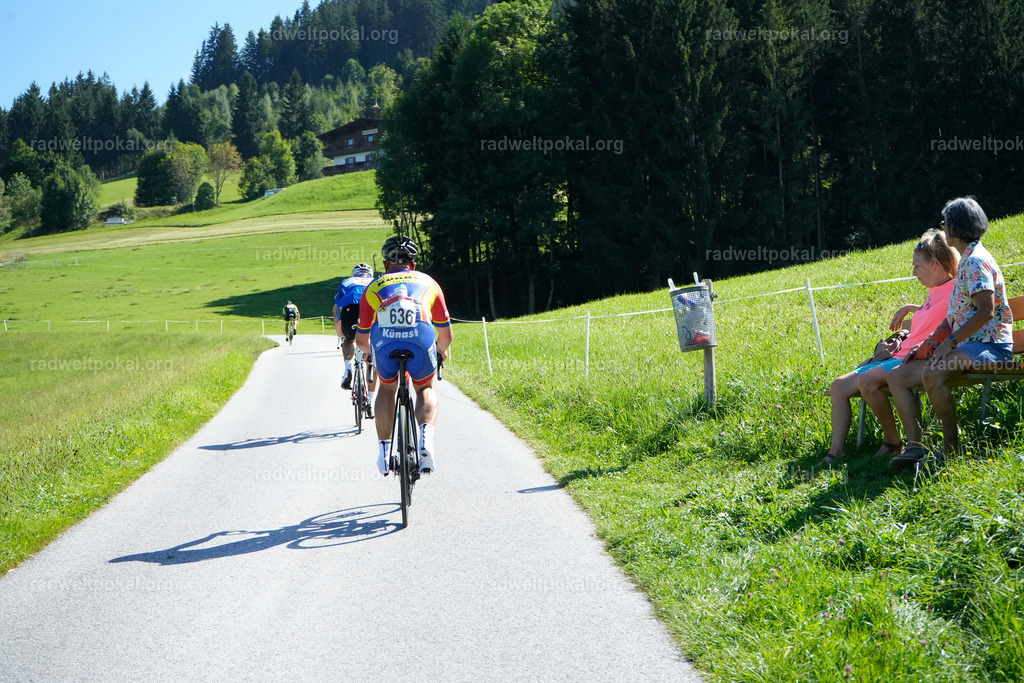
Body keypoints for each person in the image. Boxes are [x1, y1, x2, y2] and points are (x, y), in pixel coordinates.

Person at [887, 197, 1014, 467]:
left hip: (989, 345)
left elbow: (985, 311)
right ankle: (916, 448)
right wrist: (932, 341)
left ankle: (950, 451)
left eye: (945, 222)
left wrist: (950, 342)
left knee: (932, 374)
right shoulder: (967, 260)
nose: (942, 227)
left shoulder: (977, 261)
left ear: (955, 227)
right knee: (898, 376)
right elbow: (956, 314)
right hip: (968, 345)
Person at [818, 229, 959, 468]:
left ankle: (896, 442)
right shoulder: (934, 290)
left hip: (914, 358)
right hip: (902, 355)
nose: (913, 272)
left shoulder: (956, 289)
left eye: (916, 266)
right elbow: (932, 310)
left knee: (867, 381)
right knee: (839, 385)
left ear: (934, 264)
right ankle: (838, 451)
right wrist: (910, 307)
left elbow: (949, 318)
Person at [356, 236, 452, 475]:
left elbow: (360, 340)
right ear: (414, 263)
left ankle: (383, 452)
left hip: (385, 341)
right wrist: (441, 350)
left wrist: (370, 355)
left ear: (385, 264)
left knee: (387, 389)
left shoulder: (374, 286)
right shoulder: (429, 282)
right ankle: (425, 439)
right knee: (424, 388)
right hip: (420, 338)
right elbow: (446, 335)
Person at [335, 264, 375, 393]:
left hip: (350, 309)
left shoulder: (346, 281)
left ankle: (348, 368)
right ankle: (371, 399)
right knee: (371, 352)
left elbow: (336, 307)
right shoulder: (375, 281)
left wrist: (340, 332)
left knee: (348, 340)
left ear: (354, 274)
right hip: (369, 310)